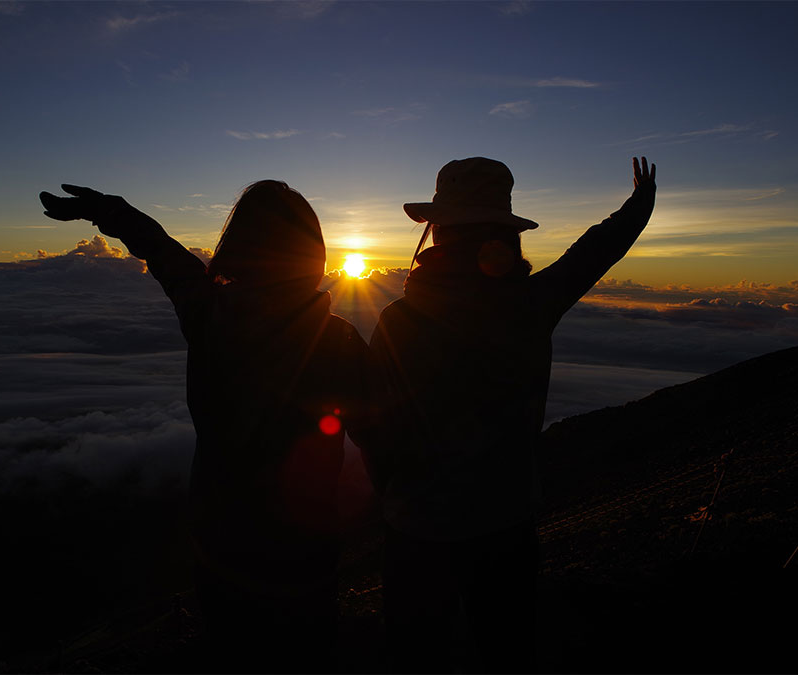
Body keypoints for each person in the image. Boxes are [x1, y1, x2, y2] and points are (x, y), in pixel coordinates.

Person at [39, 180, 372, 673]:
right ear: (312, 256)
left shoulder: (208, 315)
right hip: (304, 552)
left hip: (219, 546)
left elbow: (166, 256)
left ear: (236, 248)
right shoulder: (339, 342)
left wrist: (111, 211)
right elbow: (386, 436)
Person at [365, 156, 656, 673]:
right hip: (504, 520)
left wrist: (390, 489)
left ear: (436, 232)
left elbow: (374, 424)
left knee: (413, 654)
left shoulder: (398, 319)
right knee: (506, 648)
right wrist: (638, 206)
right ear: (504, 233)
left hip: (414, 524)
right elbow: (592, 254)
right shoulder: (529, 303)